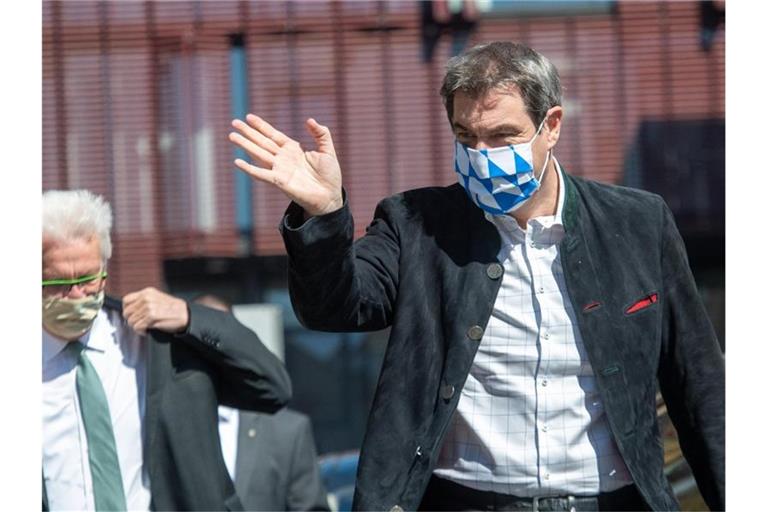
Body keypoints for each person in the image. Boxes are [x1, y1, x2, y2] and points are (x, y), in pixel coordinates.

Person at [228, 41, 724, 512]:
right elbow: (334, 306)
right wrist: (324, 214)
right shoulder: (416, 224)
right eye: (466, 136)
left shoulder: (636, 223)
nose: (482, 154)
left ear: (551, 126)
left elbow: (699, 384)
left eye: (503, 135)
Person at [42, 189, 292, 511]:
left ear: (105, 267)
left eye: (89, 278)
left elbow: (271, 387)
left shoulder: (158, 341)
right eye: (58, 283)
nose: (77, 294)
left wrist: (191, 318)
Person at [193, 294, 331, 511]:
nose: (209, 351)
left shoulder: (286, 431)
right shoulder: (159, 428)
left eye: (217, 338)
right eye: (197, 339)